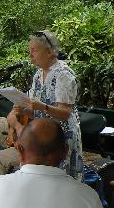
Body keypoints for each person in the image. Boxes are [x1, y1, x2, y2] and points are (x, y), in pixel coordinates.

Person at [11, 30, 83, 179]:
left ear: (50, 52)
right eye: (29, 51)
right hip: (43, 136)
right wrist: (23, 110)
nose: (30, 56)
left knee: (62, 182)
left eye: (34, 51)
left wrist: (42, 106)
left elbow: (65, 113)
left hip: (62, 138)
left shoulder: (63, 74)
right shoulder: (38, 74)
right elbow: (37, 111)